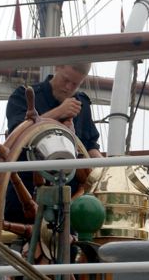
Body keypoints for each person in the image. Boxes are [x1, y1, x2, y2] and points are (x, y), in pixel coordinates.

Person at [5, 63, 102, 222]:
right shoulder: (23, 96)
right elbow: (17, 135)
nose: (68, 87)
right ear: (57, 67)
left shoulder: (82, 105)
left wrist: (105, 172)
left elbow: (90, 146)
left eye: (75, 84)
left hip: (70, 203)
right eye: (66, 80)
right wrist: (59, 112)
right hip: (24, 199)